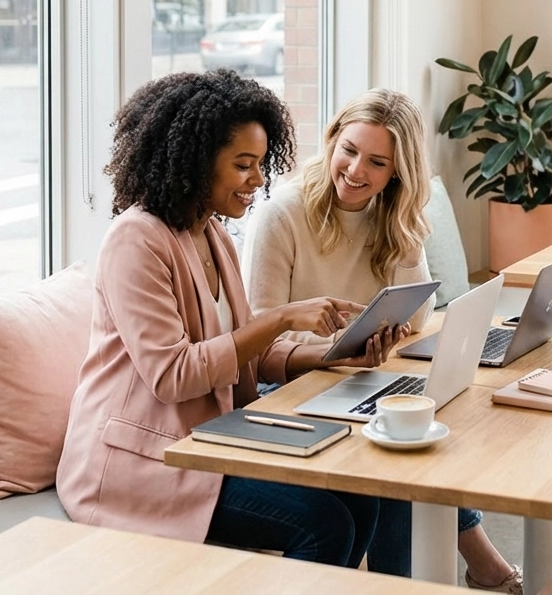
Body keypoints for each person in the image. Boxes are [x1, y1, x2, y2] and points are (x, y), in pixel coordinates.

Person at [56, 70, 410, 573]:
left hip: (212, 441)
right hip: (141, 462)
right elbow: (173, 375)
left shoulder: (213, 235)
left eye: (261, 164)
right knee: (322, 522)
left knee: (361, 497)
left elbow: (250, 355)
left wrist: (332, 354)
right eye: (244, 165)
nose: (259, 180)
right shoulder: (135, 240)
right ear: (196, 162)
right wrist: (285, 317)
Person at [246, 88, 523, 594]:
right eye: (348, 150)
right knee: (400, 446)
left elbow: (416, 315)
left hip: (356, 375)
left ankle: (419, 579)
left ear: (398, 172)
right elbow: (261, 334)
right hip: (286, 385)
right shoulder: (282, 213)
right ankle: (469, 568)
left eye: (377, 163)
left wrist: (403, 222)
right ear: (332, 140)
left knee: (417, 431)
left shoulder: (384, 214)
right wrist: (334, 354)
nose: (355, 171)